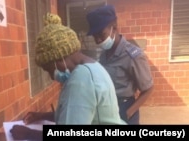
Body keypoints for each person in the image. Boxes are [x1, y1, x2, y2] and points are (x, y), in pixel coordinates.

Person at [10, 13, 126, 141]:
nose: (51, 77)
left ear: (58, 59)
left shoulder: (81, 80)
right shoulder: (93, 67)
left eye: (49, 70)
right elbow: (77, 113)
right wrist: (42, 115)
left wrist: (28, 134)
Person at [86, 5, 154, 125]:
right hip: (106, 107)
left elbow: (148, 88)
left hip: (124, 107)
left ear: (114, 28)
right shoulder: (104, 54)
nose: (97, 40)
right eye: (95, 36)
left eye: (101, 34)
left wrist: (129, 112)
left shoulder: (133, 56)